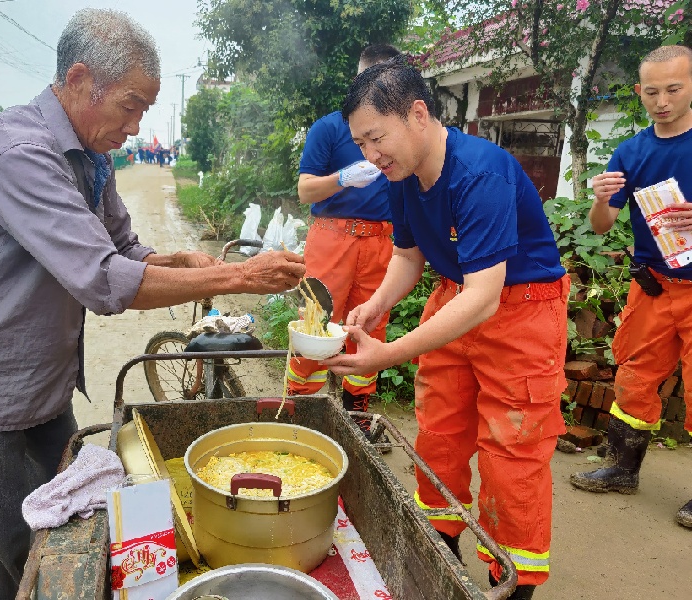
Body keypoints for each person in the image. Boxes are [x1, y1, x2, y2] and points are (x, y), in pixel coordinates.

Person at [0, 9, 305, 600]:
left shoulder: (93, 155)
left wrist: (181, 262)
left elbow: (123, 247)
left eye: (145, 108)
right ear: (77, 79)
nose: (136, 123)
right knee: (5, 550)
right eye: (130, 104)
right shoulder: (18, 151)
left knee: (71, 526)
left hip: (44, 384)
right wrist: (240, 275)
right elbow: (103, 280)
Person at [323, 58, 570, 598]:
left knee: (512, 455)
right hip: (455, 298)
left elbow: (484, 298)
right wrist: (373, 305)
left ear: (416, 114)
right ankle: (442, 554)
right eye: (360, 144)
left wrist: (387, 354)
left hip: (521, 312)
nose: (369, 155)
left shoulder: (482, 172)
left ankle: (513, 581)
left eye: (374, 138)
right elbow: (407, 259)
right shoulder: (401, 175)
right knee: (440, 434)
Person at [570, 45, 692, 529]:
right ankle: (623, 467)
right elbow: (602, 227)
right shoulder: (633, 150)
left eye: (674, 89)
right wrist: (600, 200)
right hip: (653, 288)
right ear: (640, 92)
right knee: (635, 377)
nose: (662, 100)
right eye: (653, 91)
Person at [289, 44, 400, 434]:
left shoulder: (400, 132)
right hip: (332, 238)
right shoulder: (330, 128)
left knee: (370, 329)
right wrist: (342, 178)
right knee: (315, 324)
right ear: (359, 80)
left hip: (383, 242)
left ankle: (357, 422)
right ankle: (299, 415)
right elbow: (304, 190)